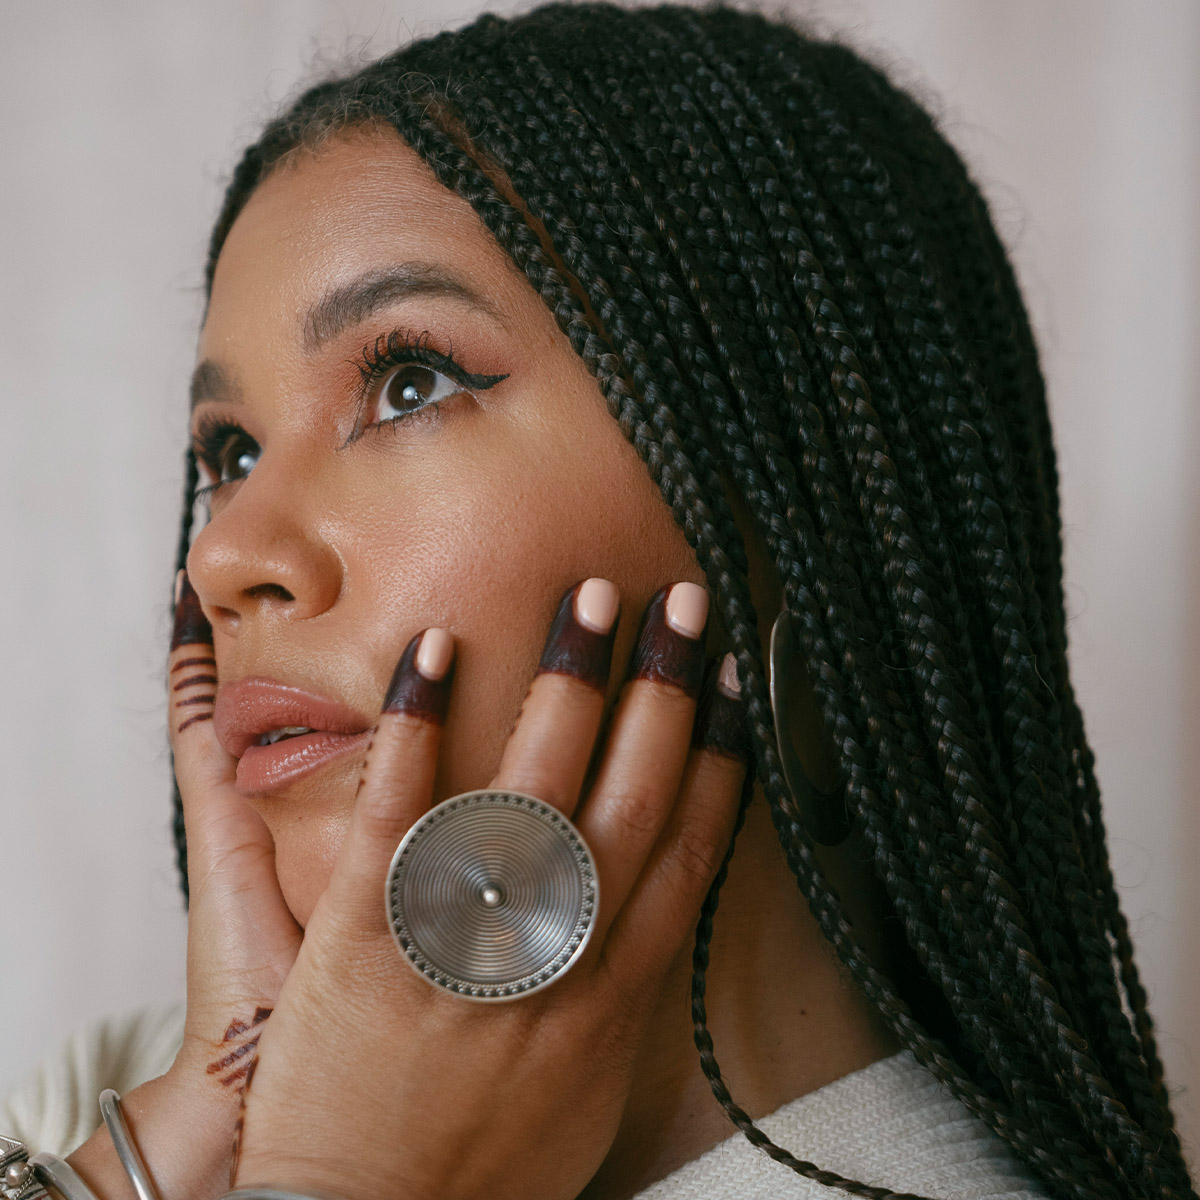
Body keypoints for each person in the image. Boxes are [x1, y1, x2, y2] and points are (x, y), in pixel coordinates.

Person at [3, 3, 1194, 1199]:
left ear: (797, 519)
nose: (224, 559)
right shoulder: (103, 1116)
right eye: (232, 455)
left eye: (409, 380)